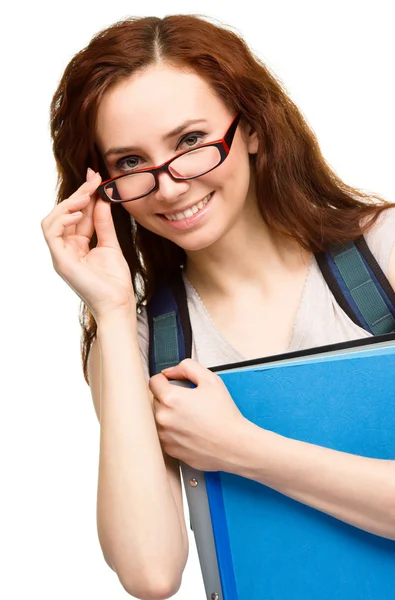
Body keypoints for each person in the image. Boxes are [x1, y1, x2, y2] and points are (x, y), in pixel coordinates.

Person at [41, 13, 395, 599]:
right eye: (130, 162)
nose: (171, 184)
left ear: (253, 127)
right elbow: (149, 573)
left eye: (189, 142)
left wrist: (240, 449)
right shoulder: (137, 339)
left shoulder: (382, 256)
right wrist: (107, 307)